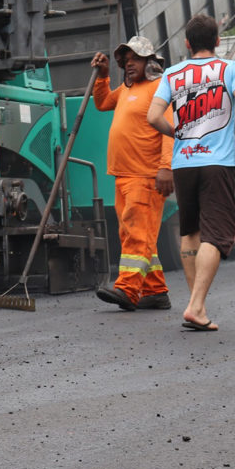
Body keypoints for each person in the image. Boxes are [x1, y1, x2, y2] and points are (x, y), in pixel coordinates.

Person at [147, 14, 235, 332]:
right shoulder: (229, 69)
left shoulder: (173, 73)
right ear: (217, 42)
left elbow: (152, 116)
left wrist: (177, 133)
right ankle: (196, 306)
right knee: (217, 234)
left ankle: (196, 304)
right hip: (216, 163)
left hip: (183, 164)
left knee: (190, 233)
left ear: (186, 44)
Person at [91, 36, 175, 311]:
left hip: (146, 175)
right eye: (125, 62)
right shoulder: (127, 89)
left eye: (135, 60)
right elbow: (102, 103)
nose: (128, 65)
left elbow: (170, 132)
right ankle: (156, 291)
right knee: (133, 233)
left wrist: (166, 168)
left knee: (138, 233)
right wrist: (102, 77)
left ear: (150, 62)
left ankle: (127, 289)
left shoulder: (159, 89)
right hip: (123, 175)